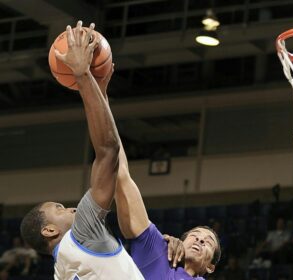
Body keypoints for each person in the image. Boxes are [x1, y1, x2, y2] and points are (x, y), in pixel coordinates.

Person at [19, 21, 183, 280]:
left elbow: (117, 164)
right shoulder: (81, 232)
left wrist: (101, 95)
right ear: (49, 230)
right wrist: (83, 75)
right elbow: (108, 151)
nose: (72, 208)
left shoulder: (61, 270)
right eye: (60, 208)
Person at [96, 50, 221, 279]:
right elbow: (120, 174)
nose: (201, 239)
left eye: (208, 242)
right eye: (194, 235)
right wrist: (100, 94)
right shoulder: (155, 250)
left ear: (211, 267)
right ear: (179, 243)